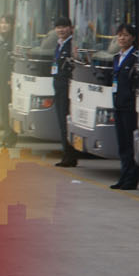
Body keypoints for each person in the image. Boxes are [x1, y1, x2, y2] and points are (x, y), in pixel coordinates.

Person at [108, 24, 139, 190]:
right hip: (118, 105)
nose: (122, 38)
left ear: (133, 38)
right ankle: (123, 176)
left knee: (129, 144)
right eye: (120, 35)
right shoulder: (117, 57)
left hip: (130, 107)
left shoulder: (136, 58)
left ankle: (131, 178)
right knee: (122, 144)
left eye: (126, 35)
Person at [51, 18, 80, 167]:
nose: (60, 30)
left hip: (66, 89)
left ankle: (69, 155)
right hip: (58, 88)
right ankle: (66, 154)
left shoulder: (71, 45)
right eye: (58, 27)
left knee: (65, 122)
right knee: (61, 122)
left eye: (64, 27)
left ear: (70, 28)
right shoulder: (59, 44)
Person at [0, 14, 18, 147]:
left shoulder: (12, 41)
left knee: (8, 108)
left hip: (8, 80)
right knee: (3, 108)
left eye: (6, 23)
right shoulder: (2, 41)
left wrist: (10, 77)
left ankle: (10, 137)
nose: (3, 25)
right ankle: (6, 134)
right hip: (1, 80)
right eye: (1, 23)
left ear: (12, 25)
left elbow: (12, 62)